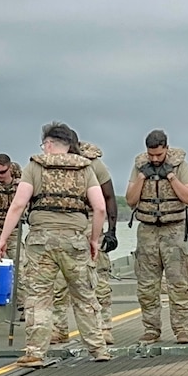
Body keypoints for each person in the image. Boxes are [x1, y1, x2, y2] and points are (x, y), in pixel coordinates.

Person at [0, 122, 111, 366]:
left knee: (39, 296)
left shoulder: (35, 167)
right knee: (85, 295)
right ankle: (98, 348)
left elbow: (17, 206)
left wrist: (3, 238)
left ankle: (36, 353)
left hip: (41, 241)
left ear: (48, 144)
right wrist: (93, 239)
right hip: (75, 240)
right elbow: (100, 207)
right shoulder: (85, 169)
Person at [125, 129, 188, 344]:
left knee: (179, 284)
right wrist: (141, 177)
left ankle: (182, 329)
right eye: (151, 155)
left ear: (166, 148)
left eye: (158, 154)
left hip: (173, 230)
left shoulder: (180, 165)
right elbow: (130, 200)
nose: (155, 159)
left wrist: (171, 176)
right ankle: (151, 329)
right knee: (147, 286)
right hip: (147, 231)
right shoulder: (140, 166)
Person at [50, 135, 119, 346]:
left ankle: (104, 327)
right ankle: (58, 328)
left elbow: (109, 197)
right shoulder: (50, 165)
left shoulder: (94, 165)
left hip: (90, 222)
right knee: (58, 280)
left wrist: (111, 231)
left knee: (97, 279)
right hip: (61, 224)